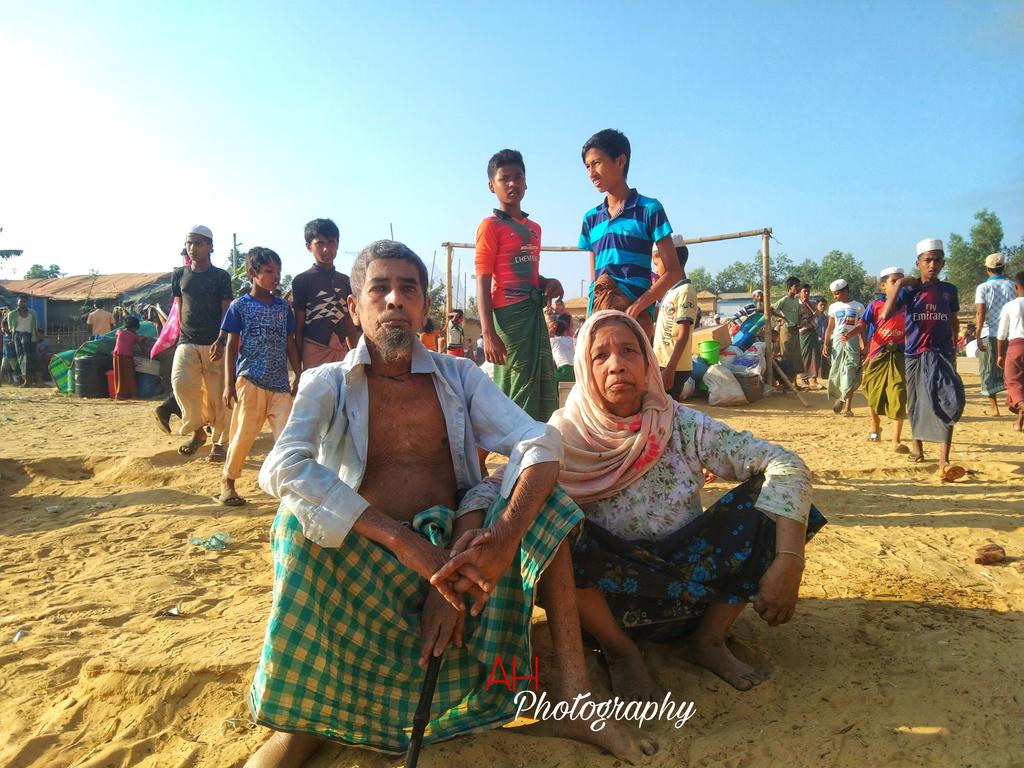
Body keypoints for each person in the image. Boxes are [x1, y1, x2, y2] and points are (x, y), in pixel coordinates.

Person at [246, 241, 651, 767]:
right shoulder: (327, 382)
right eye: (380, 288)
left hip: (463, 551)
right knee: (293, 524)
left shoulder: (459, 375)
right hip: (371, 556)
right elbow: (282, 467)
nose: (394, 300)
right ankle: (302, 724)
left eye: (408, 289)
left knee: (547, 503)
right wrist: (402, 541)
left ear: (423, 307)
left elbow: (539, 441)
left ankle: (575, 698)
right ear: (354, 307)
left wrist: (496, 543)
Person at [474, 310, 824, 695]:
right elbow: (497, 489)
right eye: (600, 356)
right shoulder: (559, 436)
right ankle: (620, 652)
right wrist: (470, 525)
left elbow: (784, 463)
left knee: (770, 497)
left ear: (647, 363)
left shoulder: (682, 424)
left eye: (629, 351)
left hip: (695, 590)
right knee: (540, 519)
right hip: (608, 604)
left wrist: (790, 559)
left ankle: (709, 640)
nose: (617, 365)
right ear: (583, 370)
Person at [475, 148, 562, 422]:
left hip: (534, 314)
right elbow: (483, 282)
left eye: (518, 177)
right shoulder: (489, 226)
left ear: (526, 182)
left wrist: (549, 282)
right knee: (517, 384)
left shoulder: (534, 228)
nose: (513, 183)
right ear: (492, 186)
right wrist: (488, 333)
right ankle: (513, 446)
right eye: (505, 179)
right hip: (508, 319)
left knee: (543, 379)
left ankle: (536, 442)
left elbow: (530, 275)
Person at [578, 128, 681, 339]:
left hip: (636, 319)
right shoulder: (590, 219)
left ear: (620, 160)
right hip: (601, 317)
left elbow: (673, 271)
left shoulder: (649, 209)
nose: (591, 173)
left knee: (636, 371)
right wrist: (591, 318)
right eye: (587, 166)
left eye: (596, 163)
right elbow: (594, 282)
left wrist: (637, 307)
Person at [217, 247, 300, 507]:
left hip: (279, 383)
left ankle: (290, 487)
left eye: (278, 272)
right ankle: (228, 482)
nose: (276, 277)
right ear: (253, 273)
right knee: (243, 434)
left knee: (287, 437)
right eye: (269, 272)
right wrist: (228, 384)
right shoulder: (239, 306)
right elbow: (231, 346)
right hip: (250, 379)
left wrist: (299, 374)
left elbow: (290, 343)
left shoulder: (283, 308)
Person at [882, 238, 965, 481]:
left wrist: (953, 347)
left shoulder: (949, 290)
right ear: (918, 263)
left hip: (942, 354)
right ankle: (918, 448)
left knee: (947, 401)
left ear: (943, 263)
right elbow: (886, 314)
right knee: (916, 403)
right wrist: (899, 285)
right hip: (915, 354)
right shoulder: (910, 291)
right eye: (928, 260)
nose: (933, 264)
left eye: (937, 260)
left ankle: (944, 462)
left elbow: (953, 320)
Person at [170, 225, 234, 460]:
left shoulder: (220, 276)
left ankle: (219, 443)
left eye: (198, 243)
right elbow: (179, 306)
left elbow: (227, 309)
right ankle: (198, 431)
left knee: (219, 396)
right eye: (189, 243)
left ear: (210, 247)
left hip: (215, 343)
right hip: (186, 341)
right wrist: (178, 335)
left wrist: (222, 337)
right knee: (181, 384)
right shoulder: (179, 275)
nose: (192, 248)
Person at [846, 267, 908, 451]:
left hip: (899, 356)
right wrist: (850, 334)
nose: (899, 285)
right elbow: (862, 324)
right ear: (883, 285)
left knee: (898, 394)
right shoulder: (875, 306)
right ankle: (875, 426)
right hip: (877, 356)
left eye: (901, 282)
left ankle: (896, 440)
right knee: (873, 394)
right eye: (893, 281)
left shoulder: (909, 305)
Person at [291, 218, 360, 373]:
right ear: (309, 246)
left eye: (330, 242)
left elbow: (348, 322)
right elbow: (299, 326)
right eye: (320, 243)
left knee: (344, 396)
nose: (326, 249)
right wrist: (299, 368)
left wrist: (355, 355)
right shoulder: (302, 281)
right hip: (314, 352)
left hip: (342, 353)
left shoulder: (345, 281)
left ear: (338, 244)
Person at [652, 236, 697, 400]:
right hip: (662, 362)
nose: (656, 268)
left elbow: (683, 333)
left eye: (657, 263)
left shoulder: (685, 291)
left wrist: (670, 367)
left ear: (672, 260)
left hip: (673, 366)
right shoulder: (671, 292)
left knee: (666, 410)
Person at [974, 252, 1016, 416]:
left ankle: (994, 408)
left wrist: (977, 333)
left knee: (988, 369)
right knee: (1010, 369)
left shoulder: (983, 288)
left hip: (989, 332)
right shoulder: (1013, 285)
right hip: (1009, 333)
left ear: (987, 269)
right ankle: (1013, 401)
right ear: (1003, 268)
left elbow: (980, 312)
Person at [822, 280, 865, 415]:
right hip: (837, 343)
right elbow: (830, 326)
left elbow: (862, 327)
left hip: (852, 343)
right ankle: (841, 397)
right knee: (838, 371)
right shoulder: (834, 307)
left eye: (837, 294)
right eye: (834, 294)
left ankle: (847, 406)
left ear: (845, 291)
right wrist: (825, 343)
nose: (835, 297)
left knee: (850, 371)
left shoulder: (859, 307)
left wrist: (864, 343)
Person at [996, 271, 1024, 432]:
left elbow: (1001, 333)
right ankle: (1018, 422)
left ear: (1016, 287)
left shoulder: (1010, 306)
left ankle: (1022, 406)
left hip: (1016, 346)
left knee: (1012, 382)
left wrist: (1000, 354)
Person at [772, 277, 805, 386]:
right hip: (786, 330)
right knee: (786, 356)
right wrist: (782, 317)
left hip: (795, 330)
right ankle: (786, 383)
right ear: (789, 288)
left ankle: (794, 383)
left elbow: (800, 314)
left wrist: (800, 322)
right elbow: (771, 309)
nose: (798, 288)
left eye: (798, 286)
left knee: (795, 357)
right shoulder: (784, 300)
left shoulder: (797, 300)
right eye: (796, 286)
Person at [6, 296, 40, 387]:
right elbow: (10, 328)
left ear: (27, 303)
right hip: (18, 336)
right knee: (22, 358)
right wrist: (12, 339)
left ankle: (37, 381)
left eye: (24, 302)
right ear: (17, 302)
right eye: (21, 301)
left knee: (32, 358)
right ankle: (26, 381)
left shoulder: (32, 313)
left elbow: (35, 326)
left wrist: (37, 336)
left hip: (30, 336)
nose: (22, 303)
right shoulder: (12, 314)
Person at [797, 283, 823, 390]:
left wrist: (808, 304)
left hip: (813, 332)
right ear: (799, 292)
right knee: (804, 355)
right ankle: (804, 379)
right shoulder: (796, 304)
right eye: (804, 291)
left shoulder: (812, 303)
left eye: (808, 291)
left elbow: (817, 314)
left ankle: (813, 379)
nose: (807, 294)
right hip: (802, 332)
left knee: (814, 355)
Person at [113, 316, 144, 400]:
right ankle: (132, 394)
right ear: (134, 327)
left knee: (119, 374)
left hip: (116, 355)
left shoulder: (119, 331)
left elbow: (117, 340)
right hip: (126, 355)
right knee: (129, 374)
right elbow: (141, 348)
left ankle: (119, 394)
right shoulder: (134, 336)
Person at [549, 316, 575, 382]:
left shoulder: (552, 341)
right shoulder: (572, 340)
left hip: (563, 371)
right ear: (565, 331)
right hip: (576, 371)